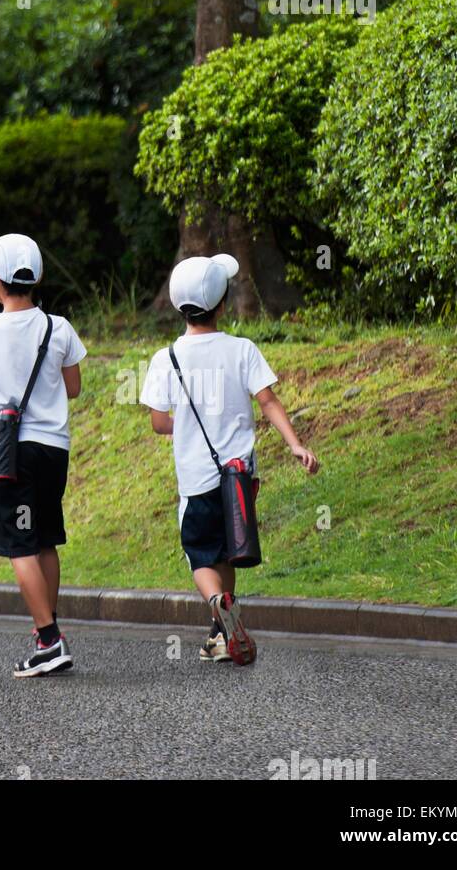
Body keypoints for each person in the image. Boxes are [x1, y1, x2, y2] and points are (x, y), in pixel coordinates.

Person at [141, 254, 320, 665]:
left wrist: (185, 424)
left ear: (176, 305)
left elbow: (157, 422)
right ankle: (222, 634)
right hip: (240, 478)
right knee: (228, 550)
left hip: (197, 480)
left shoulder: (166, 358)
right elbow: (269, 401)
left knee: (200, 555)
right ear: (222, 305)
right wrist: (295, 444)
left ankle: (218, 602)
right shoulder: (242, 349)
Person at [0, 234, 87, 677]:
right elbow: (73, 388)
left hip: (12, 453)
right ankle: (47, 635)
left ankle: (49, 640)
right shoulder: (59, 328)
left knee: (19, 543)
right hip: (55, 450)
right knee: (45, 538)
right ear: (38, 277)